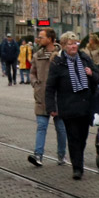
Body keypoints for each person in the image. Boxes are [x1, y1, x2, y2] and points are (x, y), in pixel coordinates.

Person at [41, 31, 99, 179]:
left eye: (75, 43)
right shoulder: (58, 62)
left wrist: (91, 74)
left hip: (85, 106)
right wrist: (51, 107)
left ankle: (78, 159)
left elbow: (97, 77)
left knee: (83, 137)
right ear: (63, 45)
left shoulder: (85, 58)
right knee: (73, 138)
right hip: (68, 106)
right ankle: (77, 168)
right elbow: (50, 87)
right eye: (70, 44)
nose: (74, 46)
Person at [28, 28, 66, 167]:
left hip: (58, 97)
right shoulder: (38, 55)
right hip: (42, 96)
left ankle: (61, 155)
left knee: (60, 128)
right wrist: (35, 83)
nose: (39, 39)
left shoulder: (61, 55)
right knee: (41, 126)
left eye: (41, 37)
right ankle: (38, 155)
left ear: (50, 39)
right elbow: (32, 72)